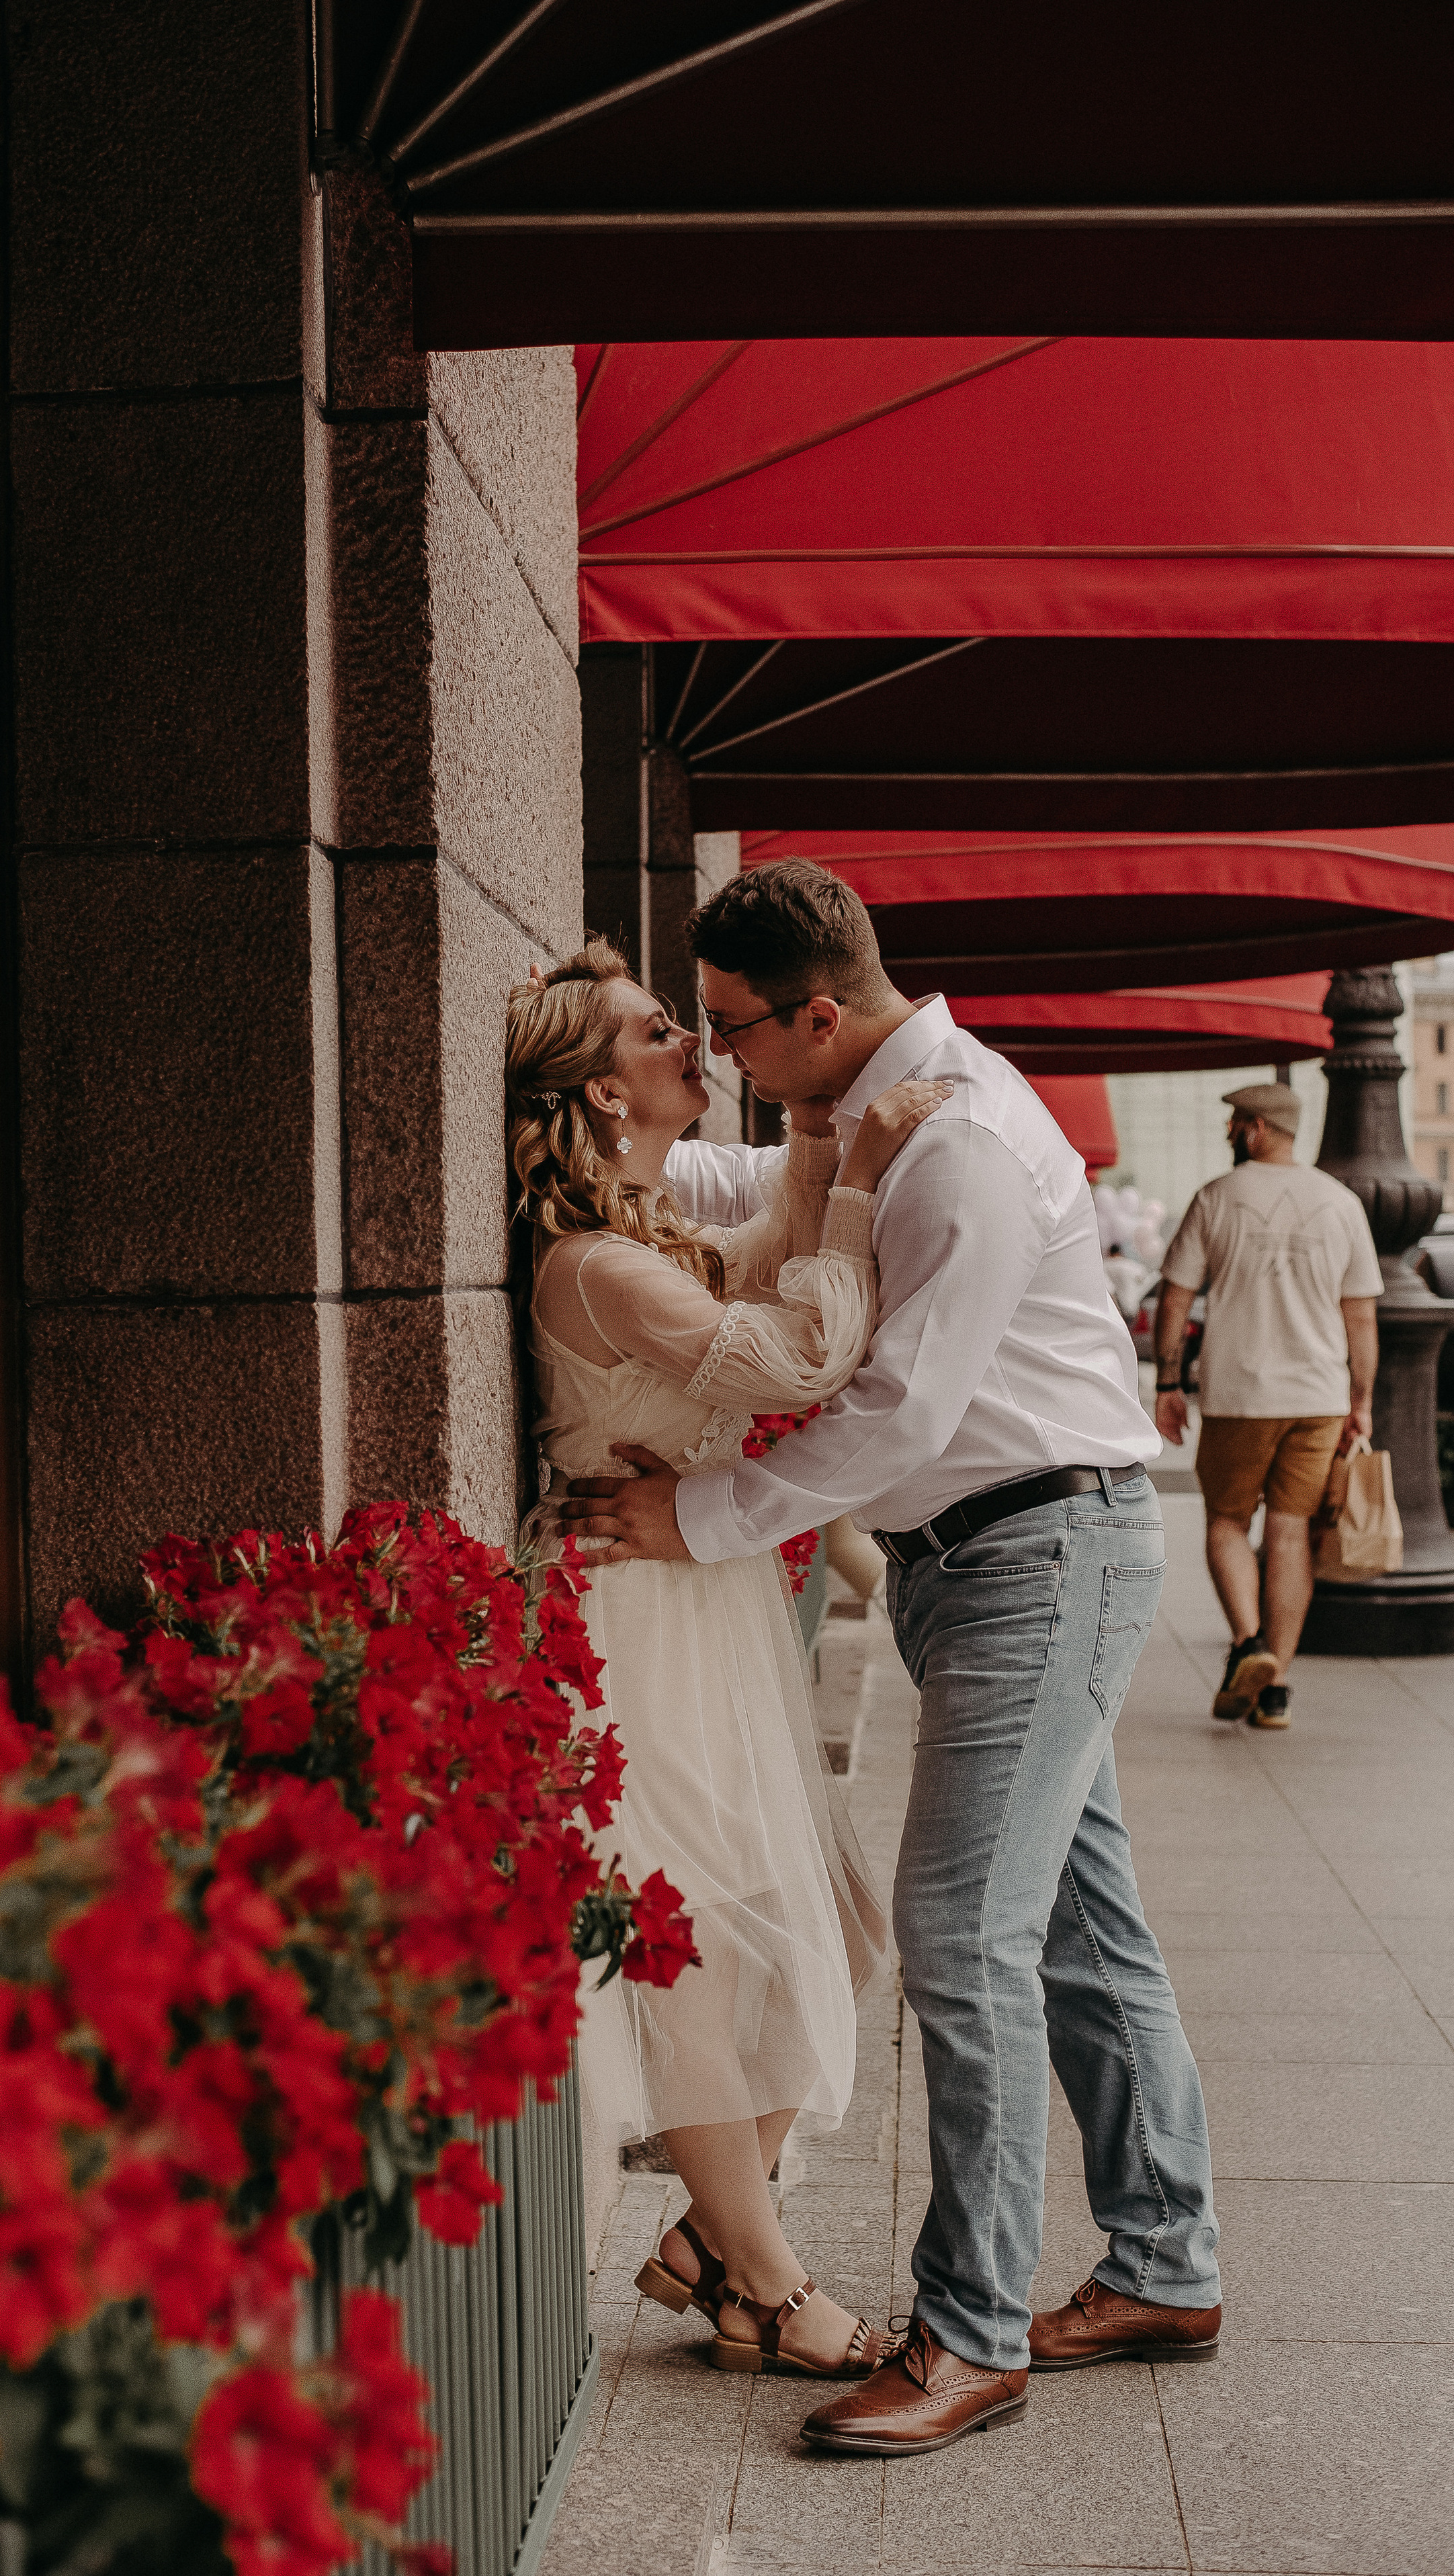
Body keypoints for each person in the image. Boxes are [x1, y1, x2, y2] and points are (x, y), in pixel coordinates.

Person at [559, 861, 1222, 2459]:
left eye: (730, 1028)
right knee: (1076, 1921)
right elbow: (731, 1189)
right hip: (990, 1559)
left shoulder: (955, 1147)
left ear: (818, 1013)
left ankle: (967, 2331)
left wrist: (692, 1514)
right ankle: (1164, 2262)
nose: (716, 1053)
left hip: (1034, 1552)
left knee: (954, 1936)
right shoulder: (856, 1117)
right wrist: (587, 1158)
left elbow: (898, 1412)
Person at [507, 939, 950, 2381]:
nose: (689, 1044)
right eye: (654, 1031)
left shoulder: (637, 1229)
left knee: (839, 1920)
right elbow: (798, 1355)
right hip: (630, 1617)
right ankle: (757, 2279)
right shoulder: (592, 1263)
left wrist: (820, 1146)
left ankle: (711, 2235)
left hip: (695, 1598)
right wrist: (863, 1177)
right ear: (592, 1091)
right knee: (690, 1949)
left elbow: (763, 1269)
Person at [1154, 1083, 1381, 1731]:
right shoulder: (1341, 1205)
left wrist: (1170, 1385)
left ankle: (1249, 1643)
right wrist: (1360, 1401)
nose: (1229, 1130)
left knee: (1228, 1522)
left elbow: (1175, 1300)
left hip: (1239, 1395)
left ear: (1256, 1128)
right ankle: (1275, 1684)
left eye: (1235, 1121)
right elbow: (1361, 1317)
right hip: (1319, 1398)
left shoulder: (1216, 1198)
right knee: (1289, 1533)